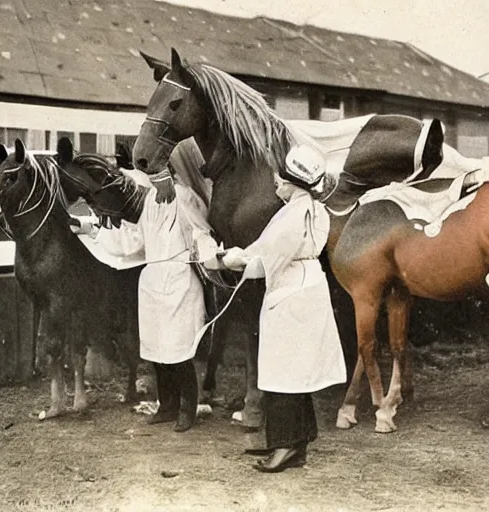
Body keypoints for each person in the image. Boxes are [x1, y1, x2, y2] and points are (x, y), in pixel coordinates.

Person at [202, 144, 347, 472]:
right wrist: (244, 255)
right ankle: (298, 443)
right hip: (308, 286)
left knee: (282, 371)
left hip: (291, 290)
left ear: (295, 183)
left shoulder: (291, 214)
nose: (276, 185)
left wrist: (226, 258)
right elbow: (271, 250)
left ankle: (284, 446)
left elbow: (261, 262)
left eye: (280, 181)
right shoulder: (314, 209)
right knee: (298, 371)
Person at [90, 160, 217, 433]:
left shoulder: (185, 198)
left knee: (179, 349)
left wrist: (208, 256)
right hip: (153, 279)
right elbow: (136, 240)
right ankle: (167, 405)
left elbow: (201, 230)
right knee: (157, 350)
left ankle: (187, 408)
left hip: (179, 279)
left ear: (170, 174)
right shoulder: (150, 202)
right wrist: (91, 228)